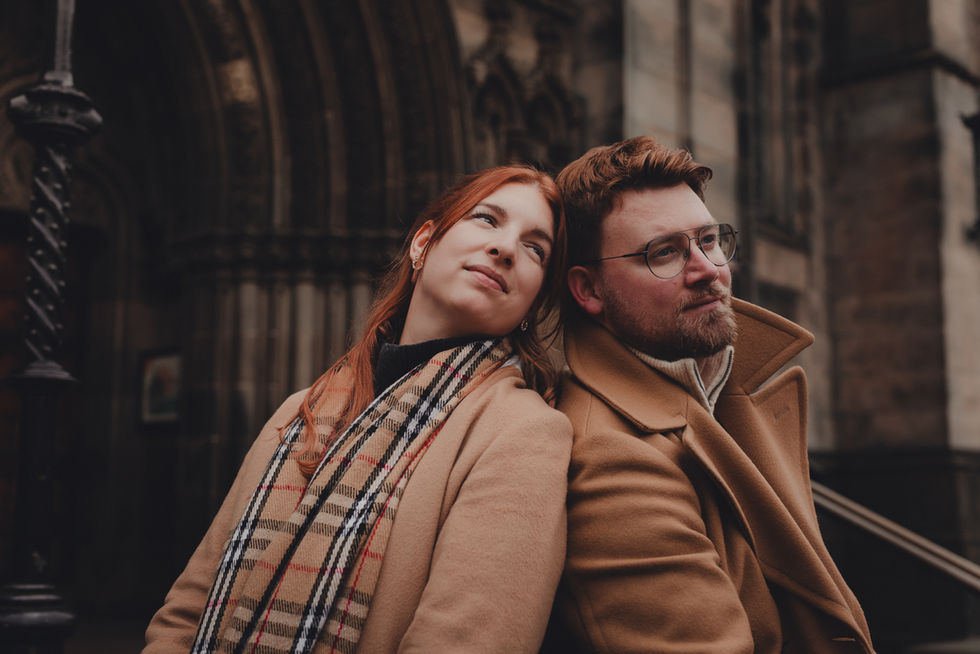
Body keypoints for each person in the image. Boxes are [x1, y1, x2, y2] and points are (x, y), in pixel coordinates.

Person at [144, 165, 573, 653]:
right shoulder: (302, 409)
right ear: (422, 243)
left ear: (534, 303)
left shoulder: (523, 434)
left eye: (536, 248)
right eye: (487, 219)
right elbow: (187, 609)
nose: (506, 248)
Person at [545, 137, 875, 653]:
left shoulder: (719, 392)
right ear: (588, 290)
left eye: (709, 240)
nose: (707, 270)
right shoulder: (613, 460)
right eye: (665, 253)